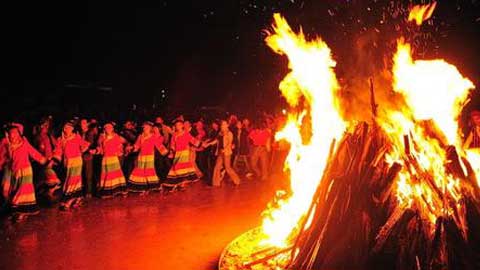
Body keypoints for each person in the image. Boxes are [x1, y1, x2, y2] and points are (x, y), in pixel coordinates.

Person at [0, 123, 47, 221]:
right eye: (11, 133)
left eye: (15, 133)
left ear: (18, 133)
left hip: (26, 171)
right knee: (11, 191)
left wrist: (42, 159)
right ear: (8, 134)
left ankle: (20, 213)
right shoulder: (6, 143)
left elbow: (33, 152)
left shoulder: (24, 142)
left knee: (22, 193)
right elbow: (2, 157)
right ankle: (16, 211)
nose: (13, 135)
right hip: (14, 172)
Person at [53, 121, 90, 210]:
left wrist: (81, 151)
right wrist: (54, 159)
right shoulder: (60, 139)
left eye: (69, 128)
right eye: (65, 127)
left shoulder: (76, 137)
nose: (67, 129)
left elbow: (84, 145)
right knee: (72, 179)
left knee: (72, 180)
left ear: (72, 129)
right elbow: (58, 151)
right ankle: (77, 198)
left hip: (77, 161)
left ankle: (69, 200)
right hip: (67, 162)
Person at [127, 122, 167, 194]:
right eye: (144, 127)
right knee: (140, 172)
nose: (145, 129)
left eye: (147, 127)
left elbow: (159, 145)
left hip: (149, 157)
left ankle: (154, 187)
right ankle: (143, 188)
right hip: (141, 157)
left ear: (150, 129)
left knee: (149, 172)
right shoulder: (140, 136)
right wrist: (131, 148)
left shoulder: (153, 136)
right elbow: (137, 146)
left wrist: (166, 153)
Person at [163, 119, 202, 191]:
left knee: (182, 168)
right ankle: (179, 184)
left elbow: (193, 140)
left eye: (178, 125)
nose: (177, 126)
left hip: (184, 153)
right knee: (177, 168)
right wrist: (171, 152)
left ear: (182, 126)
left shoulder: (186, 134)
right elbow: (172, 145)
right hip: (177, 153)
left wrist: (201, 144)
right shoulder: (174, 135)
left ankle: (182, 184)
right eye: (176, 125)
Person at [93, 122, 128, 198]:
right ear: (104, 129)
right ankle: (108, 192)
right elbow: (99, 147)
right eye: (107, 128)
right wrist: (95, 151)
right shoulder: (102, 136)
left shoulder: (116, 136)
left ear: (112, 129)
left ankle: (119, 190)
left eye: (110, 127)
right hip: (106, 159)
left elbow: (123, 143)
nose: (108, 129)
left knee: (116, 174)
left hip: (114, 158)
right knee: (107, 175)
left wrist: (121, 150)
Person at [33, 117, 61, 200]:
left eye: (47, 125)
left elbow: (56, 146)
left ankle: (48, 196)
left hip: (50, 161)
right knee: (46, 179)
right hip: (41, 162)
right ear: (41, 126)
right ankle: (44, 196)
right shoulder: (37, 137)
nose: (46, 127)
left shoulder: (49, 136)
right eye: (44, 125)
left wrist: (54, 158)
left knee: (48, 179)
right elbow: (36, 150)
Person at [206, 120, 241, 187]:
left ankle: (237, 181)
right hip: (220, 152)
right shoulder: (220, 133)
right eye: (222, 125)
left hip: (227, 152)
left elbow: (229, 143)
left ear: (227, 125)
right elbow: (216, 140)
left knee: (227, 168)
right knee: (217, 166)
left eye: (224, 124)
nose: (223, 126)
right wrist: (208, 144)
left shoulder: (229, 133)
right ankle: (216, 183)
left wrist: (225, 150)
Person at [79, 119, 97, 198]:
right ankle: (82, 191)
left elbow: (88, 145)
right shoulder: (79, 133)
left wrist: (80, 151)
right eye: (81, 123)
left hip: (87, 155)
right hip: (80, 155)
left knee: (88, 173)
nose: (82, 125)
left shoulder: (90, 133)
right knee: (81, 173)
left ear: (87, 124)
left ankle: (89, 191)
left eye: (84, 123)